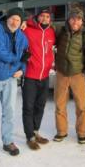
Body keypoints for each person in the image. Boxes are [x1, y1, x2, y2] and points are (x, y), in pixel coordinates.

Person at [0, 7, 28, 166]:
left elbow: (25, 56)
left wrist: (22, 69)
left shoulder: (22, 37)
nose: (14, 22)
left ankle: (8, 141)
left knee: (9, 112)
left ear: (22, 23)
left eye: (18, 20)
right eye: (12, 18)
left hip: (10, 78)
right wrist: (17, 61)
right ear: (7, 18)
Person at [54, 7, 85, 144]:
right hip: (61, 73)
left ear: (82, 21)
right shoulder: (61, 31)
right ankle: (61, 131)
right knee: (59, 104)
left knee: (81, 106)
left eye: (78, 19)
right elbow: (45, 28)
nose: (75, 21)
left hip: (77, 73)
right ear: (68, 20)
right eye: (73, 18)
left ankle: (81, 133)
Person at [22, 9, 55, 150]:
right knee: (28, 107)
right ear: (37, 17)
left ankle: (36, 132)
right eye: (42, 16)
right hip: (30, 75)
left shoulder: (51, 32)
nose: (45, 18)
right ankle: (29, 137)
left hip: (45, 76)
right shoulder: (26, 29)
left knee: (40, 106)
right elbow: (8, 28)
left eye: (47, 16)